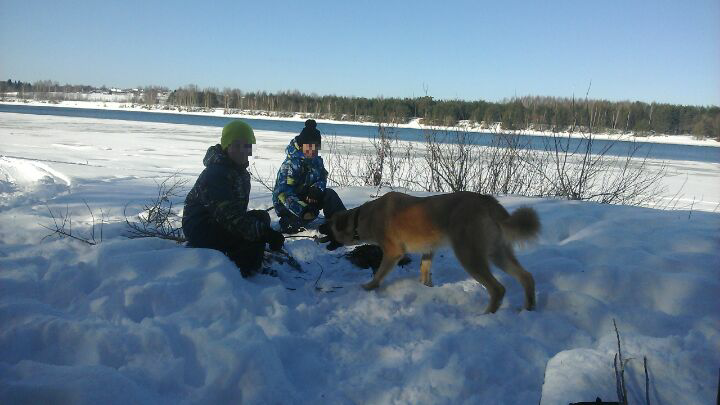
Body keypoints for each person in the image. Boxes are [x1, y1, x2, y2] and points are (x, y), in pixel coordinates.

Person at [182, 120, 285, 277]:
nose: (243, 151)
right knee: (254, 231)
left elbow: (236, 213)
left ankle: (244, 258)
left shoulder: (237, 171)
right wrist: (266, 234)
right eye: (237, 145)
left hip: (217, 223)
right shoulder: (216, 174)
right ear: (226, 146)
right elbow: (230, 217)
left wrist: (260, 231)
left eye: (247, 145)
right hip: (201, 229)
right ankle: (243, 270)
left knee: (260, 218)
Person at [272, 119, 346, 239]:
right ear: (301, 146)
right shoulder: (291, 164)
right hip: (289, 205)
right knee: (298, 224)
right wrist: (303, 209)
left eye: (315, 147)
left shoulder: (316, 161)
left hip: (310, 198)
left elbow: (322, 177)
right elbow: (282, 193)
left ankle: (343, 221)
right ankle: (288, 222)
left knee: (330, 195)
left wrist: (316, 190)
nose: (312, 150)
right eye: (309, 147)